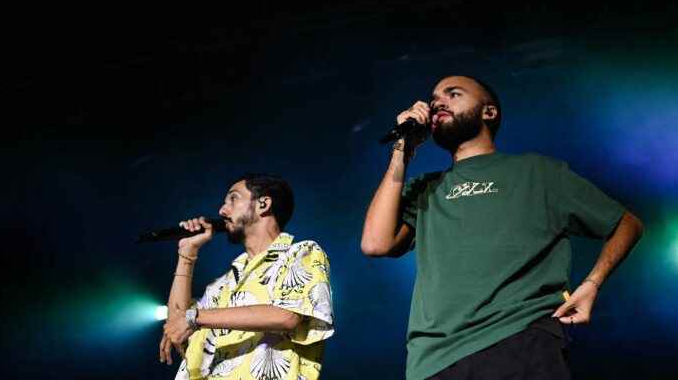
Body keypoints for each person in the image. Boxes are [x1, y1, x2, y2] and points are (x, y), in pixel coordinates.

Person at [361, 75, 644, 380]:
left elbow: (626, 223)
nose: (438, 103)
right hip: (432, 360)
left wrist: (592, 284)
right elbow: (375, 244)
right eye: (434, 99)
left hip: (519, 339)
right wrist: (402, 149)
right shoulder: (426, 189)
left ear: (489, 112)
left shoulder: (537, 172)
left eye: (453, 94)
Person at [160, 173, 334, 380]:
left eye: (233, 199)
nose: (222, 210)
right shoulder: (222, 283)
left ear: (263, 203)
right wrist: (186, 253)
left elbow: (287, 315)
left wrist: (196, 318)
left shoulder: (301, 253)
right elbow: (176, 326)